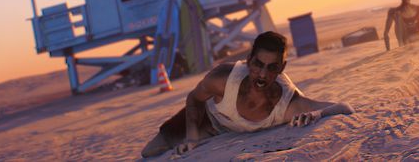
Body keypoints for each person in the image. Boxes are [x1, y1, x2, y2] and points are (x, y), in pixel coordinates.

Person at [140, 31, 353, 157]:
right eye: (258, 64)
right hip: (208, 119)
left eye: (271, 68)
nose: (262, 74)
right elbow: (194, 98)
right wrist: (192, 137)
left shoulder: (288, 103)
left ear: (282, 67)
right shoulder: (224, 77)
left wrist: (317, 114)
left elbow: (343, 107)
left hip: (229, 131)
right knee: (149, 152)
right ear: (249, 59)